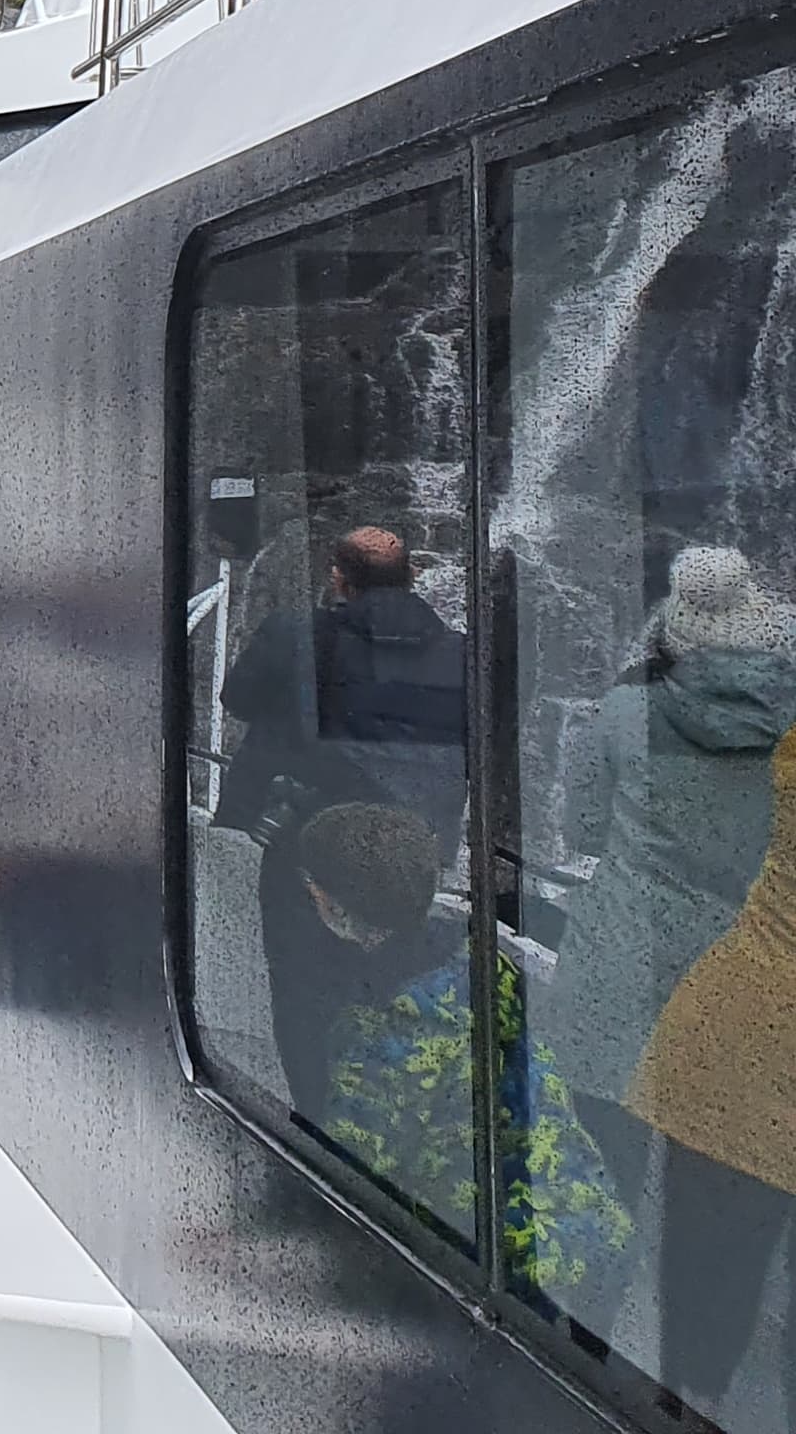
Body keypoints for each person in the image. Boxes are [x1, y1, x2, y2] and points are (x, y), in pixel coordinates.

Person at [561, 552, 796, 1415]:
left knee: (600, 1196)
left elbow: (578, 825)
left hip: (625, 979)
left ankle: (576, 1372)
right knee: (724, 1234)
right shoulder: (791, 730)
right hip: (752, 999)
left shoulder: (628, 712)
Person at [289, 803, 628, 1306]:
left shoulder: (389, 1028)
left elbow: (348, 1169)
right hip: (591, 1226)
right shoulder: (482, 967)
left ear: (333, 908)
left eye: (310, 887)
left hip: (508, 1259)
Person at [218, 523, 470, 1111]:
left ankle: (320, 1125)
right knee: (390, 987)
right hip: (414, 852)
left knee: (303, 993)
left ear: (339, 578)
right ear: (412, 577)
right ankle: (386, 1119)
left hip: (312, 849)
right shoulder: (461, 654)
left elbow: (237, 699)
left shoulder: (297, 636)